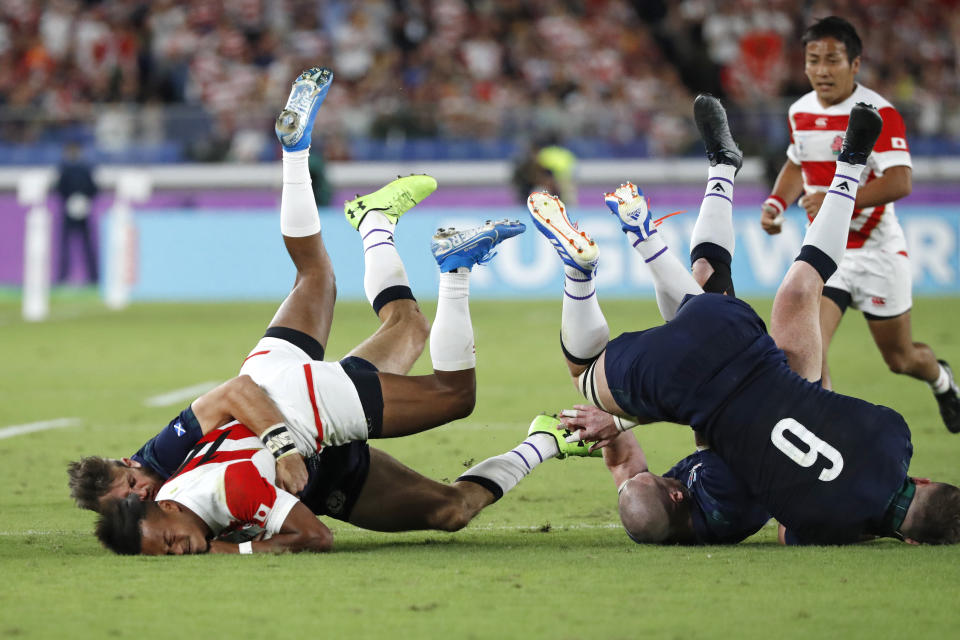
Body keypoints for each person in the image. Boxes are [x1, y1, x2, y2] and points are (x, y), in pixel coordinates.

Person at [82, 66, 596, 555]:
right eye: (129, 501)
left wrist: (280, 452)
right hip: (295, 423)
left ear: (130, 473)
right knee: (400, 328)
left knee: (455, 395)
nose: (139, 494)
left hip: (290, 408)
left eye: (131, 488)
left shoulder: (167, 463)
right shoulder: (163, 500)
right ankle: (371, 220)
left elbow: (241, 400)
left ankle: (452, 269)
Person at [529, 94, 960, 545]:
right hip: (700, 377)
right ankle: (617, 254)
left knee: (794, 286)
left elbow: (823, 404)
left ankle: (837, 164)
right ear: (912, 540)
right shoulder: (816, 524)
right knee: (587, 375)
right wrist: (618, 422)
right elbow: (786, 528)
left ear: (926, 483)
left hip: (750, 346)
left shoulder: (894, 434)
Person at [758, 16, 960, 433]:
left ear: (855, 64)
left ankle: (940, 378)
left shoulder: (878, 112)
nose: (821, 70)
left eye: (832, 59)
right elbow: (797, 162)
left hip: (878, 253)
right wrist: (777, 203)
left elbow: (900, 180)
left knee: (901, 359)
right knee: (806, 348)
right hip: (828, 254)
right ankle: (824, 436)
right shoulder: (799, 111)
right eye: (813, 60)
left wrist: (836, 200)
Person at [56, 140, 99, 285]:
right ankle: (63, 277)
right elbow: (60, 189)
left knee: (87, 245)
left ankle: (94, 277)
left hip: (83, 211)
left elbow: (93, 188)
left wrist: (84, 200)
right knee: (65, 246)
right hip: (69, 211)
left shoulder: (85, 169)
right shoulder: (64, 169)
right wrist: (71, 201)